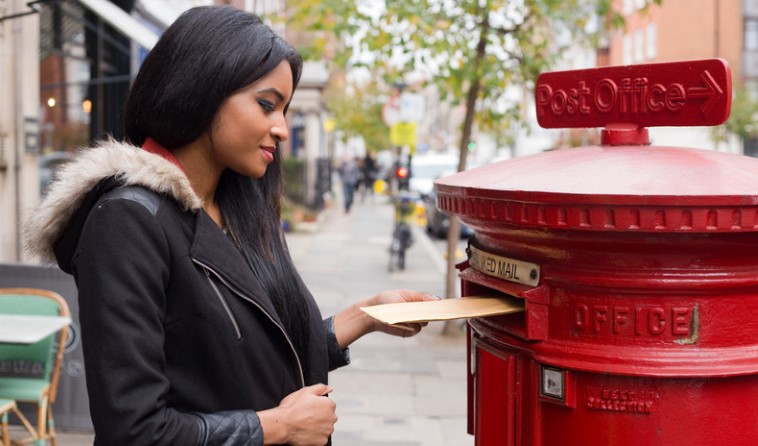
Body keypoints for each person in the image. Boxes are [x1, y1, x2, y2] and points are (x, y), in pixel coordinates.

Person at [24, 6, 434, 445]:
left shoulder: (235, 207)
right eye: (266, 104)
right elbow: (134, 428)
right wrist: (279, 426)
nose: (280, 128)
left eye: (286, 109)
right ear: (201, 89)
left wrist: (368, 315)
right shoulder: (127, 221)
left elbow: (248, 357)